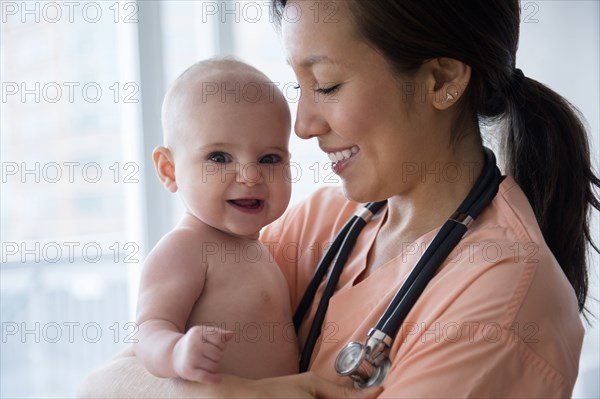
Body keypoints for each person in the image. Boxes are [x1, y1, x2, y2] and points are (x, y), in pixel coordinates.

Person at [79, 1, 600, 397]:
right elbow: (138, 366)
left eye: (326, 85)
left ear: (441, 80)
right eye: (299, 85)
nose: (302, 126)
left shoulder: (498, 303)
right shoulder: (323, 222)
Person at [132, 58, 298, 384]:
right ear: (169, 170)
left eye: (269, 158)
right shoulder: (185, 248)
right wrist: (177, 352)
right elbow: (148, 329)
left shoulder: (260, 250)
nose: (251, 176)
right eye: (219, 158)